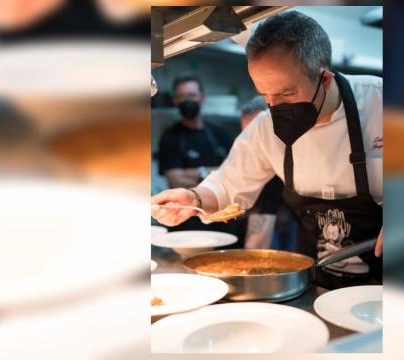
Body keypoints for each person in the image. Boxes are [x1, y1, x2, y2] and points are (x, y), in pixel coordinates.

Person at [152, 10, 383, 288]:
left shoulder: (381, 102)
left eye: (287, 93)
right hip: (321, 279)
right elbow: (227, 186)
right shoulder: (264, 127)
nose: (275, 107)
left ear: (325, 79)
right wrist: (194, 199)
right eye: (266, 96)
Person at [156, 75, 236, 234]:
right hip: (185, 221)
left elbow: (234, 174)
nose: (187, 101)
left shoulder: (221, 133)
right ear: (175, 101)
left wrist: (194, 172)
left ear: (202, 97)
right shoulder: (170, 137)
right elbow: (176, 180)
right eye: (181, 96)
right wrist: (217, 172)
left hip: (222, 218)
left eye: (191, 96)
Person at [238, 96, 288, 249]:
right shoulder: (248, 160)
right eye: (246, 136)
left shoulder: (293, 155)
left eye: (256, 135)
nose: (252, 143)